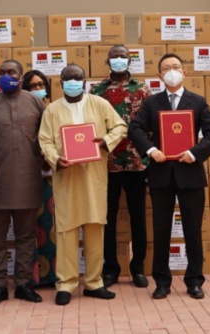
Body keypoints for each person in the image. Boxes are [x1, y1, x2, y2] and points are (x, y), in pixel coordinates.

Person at [128, 53, 210, 301]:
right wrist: (150, 150)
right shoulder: (152, 103)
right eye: (166, 68)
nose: (172, 71)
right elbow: (134, 128)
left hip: (190, 174)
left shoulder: (198, 102)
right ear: (160, 76)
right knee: (161, 230)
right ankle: (162, 281)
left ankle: (194, 281)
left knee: (193, 230)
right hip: (161, 175)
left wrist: (194, 153)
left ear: (184, 72)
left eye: (176, 67)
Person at [38, 63, 127, 306]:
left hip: (93, 177)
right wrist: (56, 158)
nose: (72, 81)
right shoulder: (52, 110)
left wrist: (104, 141)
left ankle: (94, 282)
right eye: (68, 77)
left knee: (95, 227)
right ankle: (65, 284)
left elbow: (120, 126)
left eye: (77, 77)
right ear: (60, 82)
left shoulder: (99, 104)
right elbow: (44, 140)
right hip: (66, 177)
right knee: (65, 231)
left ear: (84, 80)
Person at [0, 60, 46, 306]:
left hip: (28, 180)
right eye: (2, 72)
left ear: (21, 76)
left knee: (26, 236)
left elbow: (47, 137)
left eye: (12, 72)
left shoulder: (35, 103)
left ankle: (23, 284)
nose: (6, 76)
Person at [90, 44, 150, 289]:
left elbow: (151, 125)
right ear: (107, 61)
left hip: (137, 163)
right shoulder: (96, 91)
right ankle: (110, 269)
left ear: (129, 60)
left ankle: (138, 269)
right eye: (114, 57)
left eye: (122, 57)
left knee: (138, 217)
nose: (118, 60)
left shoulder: (142, 89)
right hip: (107, 163)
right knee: (108, 218)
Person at [21, 69, 58, 287]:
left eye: (40, 84)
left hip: (51, 176)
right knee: (28, 227)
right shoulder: (22, 110)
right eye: (32, 86)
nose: (37, 89)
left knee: (50, 226)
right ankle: (31, 278)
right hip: (26, 174)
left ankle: (52, 277)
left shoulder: (55, 109)